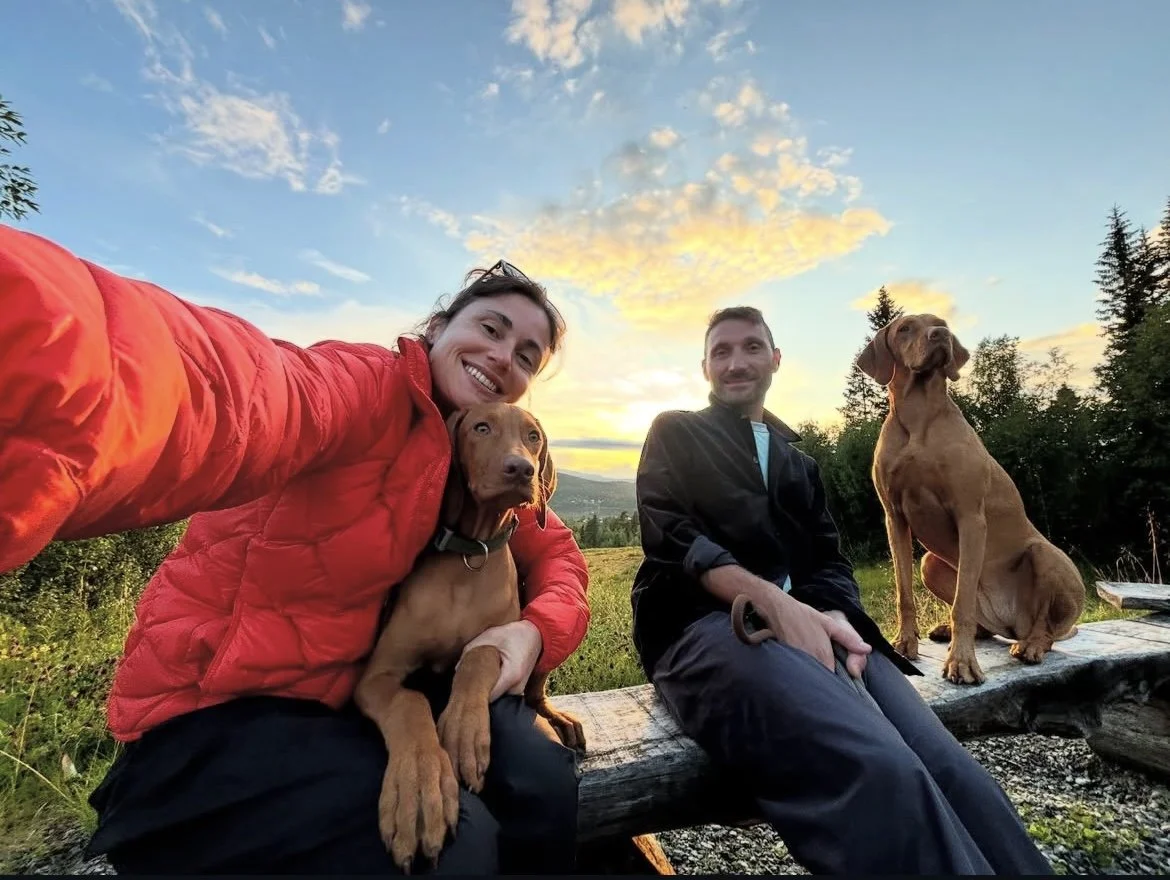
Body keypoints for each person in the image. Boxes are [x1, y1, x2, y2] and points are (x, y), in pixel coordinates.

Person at [0, 223, 590, 875]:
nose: (506, 356)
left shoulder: (476, 463)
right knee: (451, 846)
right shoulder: (362, 387)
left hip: (325, 716)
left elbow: (559, 558)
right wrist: (44, 342)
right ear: (438, 327)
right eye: (491, 328)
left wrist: (531, 635)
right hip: (207, 721)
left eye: (528, 355)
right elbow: (238, 391)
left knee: (537, 778)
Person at [630, 305, 1053, 875]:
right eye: (721, 351)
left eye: (752, 347)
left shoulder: (796, 460)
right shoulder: (675, 432)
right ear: (704, 367)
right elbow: (672, 536)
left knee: (951, 769)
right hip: (707, 627)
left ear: (776, 359)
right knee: (882, 771)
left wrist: (834, 614)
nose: (736, 362)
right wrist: (776, 604)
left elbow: (827, 559)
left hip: (818, 626)